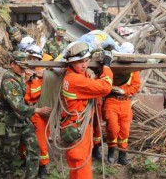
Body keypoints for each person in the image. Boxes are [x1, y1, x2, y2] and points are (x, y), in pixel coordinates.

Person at [0, 51, 52, 179]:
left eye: (24, 67)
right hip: (10, 122)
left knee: (34, 149)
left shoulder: (20, 76)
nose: (23, 70)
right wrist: (37, 110)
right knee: (8, 155)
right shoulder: (8, 81)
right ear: (12, 64)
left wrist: (26, 79)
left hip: (23, 120)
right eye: (20, 67)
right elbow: (17, 106)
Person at [61, 41, 113, 178]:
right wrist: (106, 66)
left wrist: (89, 73)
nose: (84, 65)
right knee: (82, 167)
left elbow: (83, 76)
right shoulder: (76, 80)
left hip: (73, 126)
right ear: (71, 62)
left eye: (86, 61)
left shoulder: (69, 75)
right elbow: (105, 87)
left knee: (75, 169)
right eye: (80, 62)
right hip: (79, 130)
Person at [103, 43, 141, 165]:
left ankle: (122, 156)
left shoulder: (133, 69)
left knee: (124, 131)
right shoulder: (112, 66)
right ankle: (111, 151)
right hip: (111, 101)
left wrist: (124, 91)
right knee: (113, 128)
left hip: (125, 102)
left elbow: (136, 86)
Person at [19, 45, 50, 178]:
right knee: (23, 141)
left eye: (36, 59)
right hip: (23, 110)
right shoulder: (19, 74)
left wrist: (41, 76)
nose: (32, 61)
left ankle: (42, 166)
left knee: (41, 141)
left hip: (39, 112)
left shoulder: (45, 76)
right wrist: (25, 79)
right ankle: (26, 160)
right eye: (30, 58)